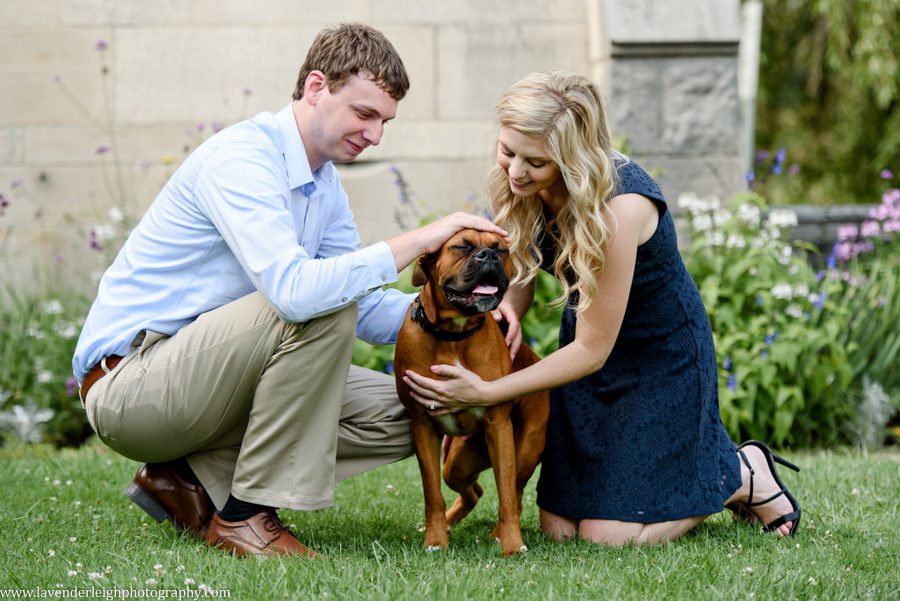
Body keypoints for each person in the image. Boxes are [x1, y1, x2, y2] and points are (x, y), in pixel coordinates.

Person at [72, 23, 506, 558]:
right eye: (364, 114)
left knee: (416, 404)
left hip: (210, 385)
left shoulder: (323, 184)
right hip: (133, 387)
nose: (375, 135)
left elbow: (366, 305)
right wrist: (419, 239)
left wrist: (465, 312)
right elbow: (298, 296)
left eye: (385, 122)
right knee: (313, 300)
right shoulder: (241, 159)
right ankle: (244, 517)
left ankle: (187, 477)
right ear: (316, 87)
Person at [402, 71, 801, 547]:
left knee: (607, 536)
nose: (514, 171)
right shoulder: (518, 184)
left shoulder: (618, 208)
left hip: (658, 358)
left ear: (573, 159)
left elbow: (593, 349)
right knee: (559, 530)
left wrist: (488, 391)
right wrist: (509, 306)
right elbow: (523, 260)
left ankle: (738, 472)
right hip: (588, 352)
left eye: (535, 161)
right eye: (507, 151)